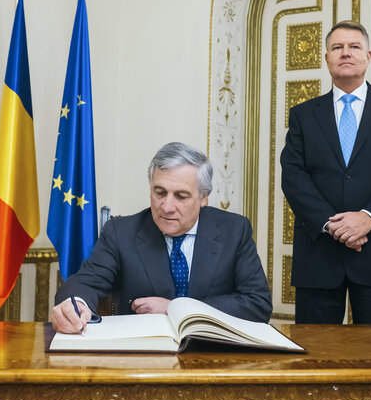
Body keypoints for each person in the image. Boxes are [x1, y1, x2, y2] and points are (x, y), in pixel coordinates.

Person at [280, 20, 371, 325]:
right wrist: (333, 225)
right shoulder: (303, 114)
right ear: (327, 57)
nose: (345, 53)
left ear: (368, 56)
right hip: (318, 254)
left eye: (354, 46)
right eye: (337, 47)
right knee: (316, 358)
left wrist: (366, 218)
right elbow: (293, 175)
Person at [51, 141, 272, 333]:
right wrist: (74, 305)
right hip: (144, 357)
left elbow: (257, 303)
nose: (166, 206)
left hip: (214, 356)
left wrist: (176, 308)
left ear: (204, 197)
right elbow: (84, 282)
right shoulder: (120, 232)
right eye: (160, 193)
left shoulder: (234, 230)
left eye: (181, 196)